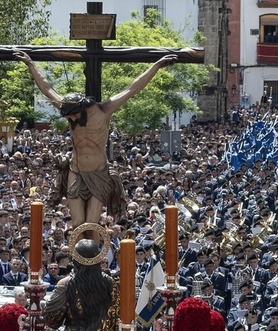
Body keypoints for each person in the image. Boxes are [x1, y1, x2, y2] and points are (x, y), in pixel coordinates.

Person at [15, 49, 185, 238]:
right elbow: (47, 88)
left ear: (82, 108)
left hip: (99, 172)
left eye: (73, 114)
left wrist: (157, 65)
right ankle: (79, 264)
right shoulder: (68, 110)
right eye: (67, 115)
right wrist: (30, 64)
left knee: (92, 225)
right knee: (78, 224)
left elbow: (132, 88)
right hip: (76, 170)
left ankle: (94, 263)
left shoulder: (104, 110)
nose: (70, 118)